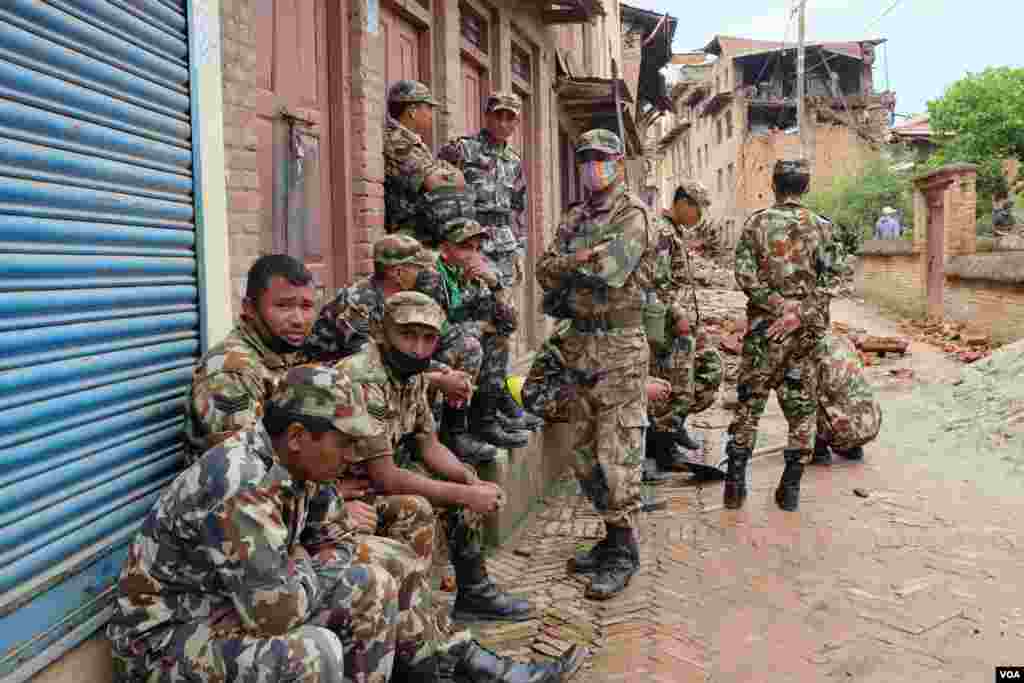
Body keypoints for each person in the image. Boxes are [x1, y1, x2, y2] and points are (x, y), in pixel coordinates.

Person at [335, 291, 535, 623]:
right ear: (383, 332)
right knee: (416, 507)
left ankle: (474, 592)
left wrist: (469, 480)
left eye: (428, 339)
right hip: (346, 489)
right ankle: (414, 616)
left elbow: (430, 446)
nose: (418, 348)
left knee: (462, 475)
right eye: (407, 335)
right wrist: (466, 494)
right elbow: (386, 476)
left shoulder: (410, 373)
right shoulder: (364, 377)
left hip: (377, 474)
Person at [536, 128, 659, 600]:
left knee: (618, 451)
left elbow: (609, 271)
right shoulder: (575, 215)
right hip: (579, 344)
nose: (593, 166)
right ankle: (611, 538)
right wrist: (578, 260)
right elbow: (543, 270)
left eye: (601, 157)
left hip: (620, 346)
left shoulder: (632, 214)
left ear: (618, 162)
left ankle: (625, 552)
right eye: (585, 158)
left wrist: (571, 264)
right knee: (584, 452)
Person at [305, 234, 495, 464]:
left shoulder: (409, 298)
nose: (428, 273)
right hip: (335, 380)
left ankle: (450, 435)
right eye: (419, 268)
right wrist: (439, 378)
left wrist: (450, 373)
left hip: (380, 367)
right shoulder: (358, 303)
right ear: (397, 273)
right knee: (421, 371)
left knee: (466, 349)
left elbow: (444, 336)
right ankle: (398, 447)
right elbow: (374, 363)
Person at [725, 158, 845, 512]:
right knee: (803, 408)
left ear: (774, 186)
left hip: (765, 332)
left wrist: (776, 306)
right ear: (805, 187)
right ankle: (790, 489)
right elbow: (833, 279)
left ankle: (734, 488)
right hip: (804, 334)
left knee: (749, 404)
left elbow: (744, 274)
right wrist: (799, 313)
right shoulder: (823, 227)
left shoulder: (756, 223)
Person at [438, 91, 541, 434]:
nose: (504, 122)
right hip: (472, 244)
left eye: (511, 117)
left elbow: (518, 209)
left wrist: (519, 250)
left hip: (503, 248)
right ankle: (469, 415)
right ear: (486, 115)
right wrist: (454, 244)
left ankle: (494, 402)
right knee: (473, 323)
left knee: (502, 325)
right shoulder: (463, 150)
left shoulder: (514, 160)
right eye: (499, 115)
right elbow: (439, 191)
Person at [183, 254, 316, 462]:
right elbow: (246, 461)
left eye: (306, 306)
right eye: (283, 306)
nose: (298, 320)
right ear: (250, 308)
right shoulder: (230, 370)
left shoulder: (281, 351)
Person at [644, 180, 724, 482]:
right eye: (698, 210)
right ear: (683, 203)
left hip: (680, 325)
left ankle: (671, 430)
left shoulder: (674, 232)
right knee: (673, 387)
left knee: (705, 371)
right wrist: (677, 315)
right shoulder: (663, 232)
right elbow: (657, 283)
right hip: (666, 325)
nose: (699, 217)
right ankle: (663, 447)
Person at [430, 216, 529, 450]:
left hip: (459, 349)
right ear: (444, 249)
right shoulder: (432, 276)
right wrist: (479, 328)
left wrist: (495, 284)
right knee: (472, 345)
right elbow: (436, 331)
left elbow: (508, 324)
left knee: (498, 341)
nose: (472, 255)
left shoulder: (475, 277)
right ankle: (453, 432)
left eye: (476, 248)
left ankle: (485, 420)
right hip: (429, 356)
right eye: (465, 247)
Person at [384, 80, 466, 246]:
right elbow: (436, 183)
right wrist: (452, 173)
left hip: (423, 234)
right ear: (412, 111)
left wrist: (446, 171)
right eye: (428, 107)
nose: (431, 114)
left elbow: (453, 180)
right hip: (408, 239)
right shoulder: (397, 142)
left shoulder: (412, 142)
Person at [810, 333, 882, 465]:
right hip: (870, 424)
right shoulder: (842, 340)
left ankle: (818, 452)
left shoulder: (809, 349)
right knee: (844, 394)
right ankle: (851, 449)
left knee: (798, 396)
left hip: (844, 430)